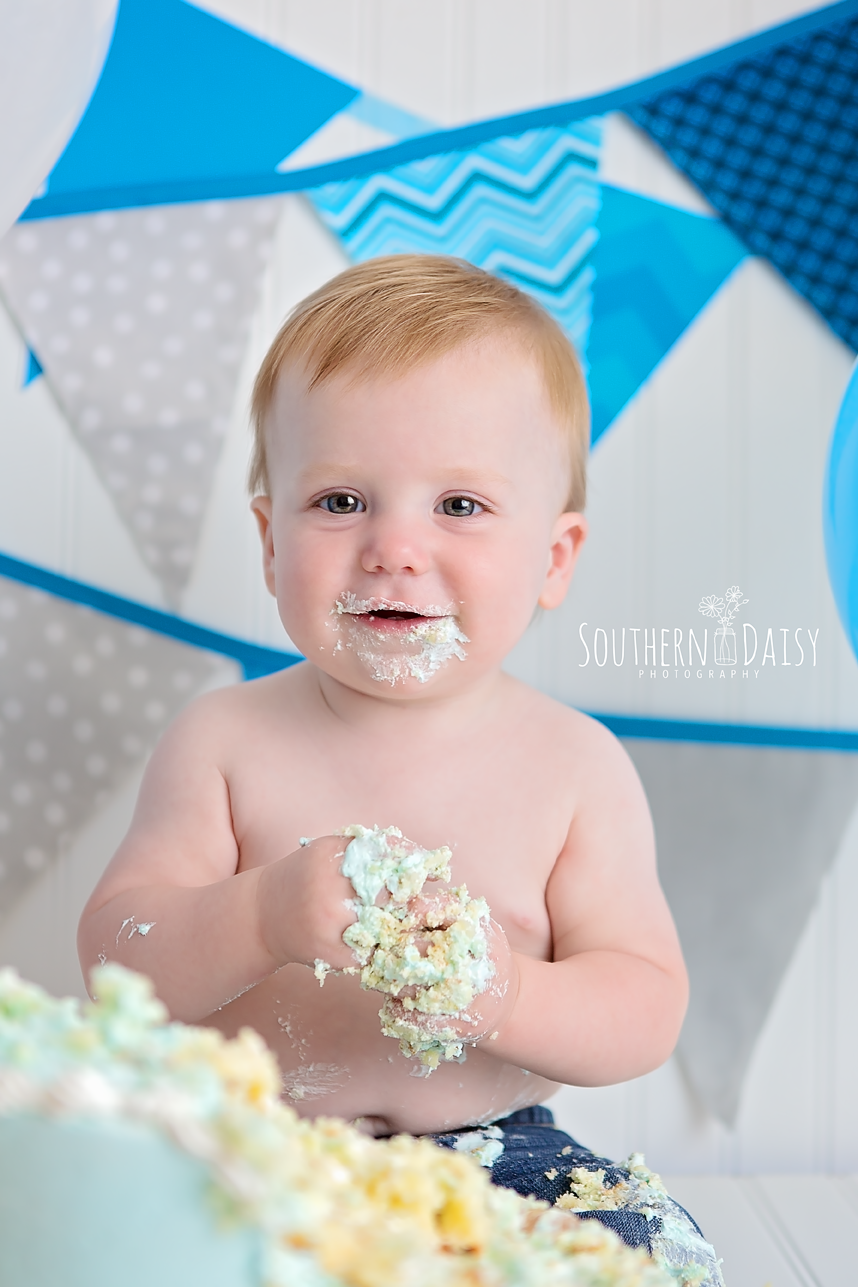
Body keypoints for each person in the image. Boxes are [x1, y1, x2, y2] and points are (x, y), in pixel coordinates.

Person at [78, 255, 721, 1285]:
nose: (394, 548)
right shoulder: (223, 742)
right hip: (248, 1150)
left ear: (554, 558)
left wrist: (500, 993)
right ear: (269, 539)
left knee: (651, 1248)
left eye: (460, 505)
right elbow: (118, 959)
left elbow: (642, 1006)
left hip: (495, 1157)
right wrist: (259, 915)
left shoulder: (574, 768)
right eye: (340, 500)